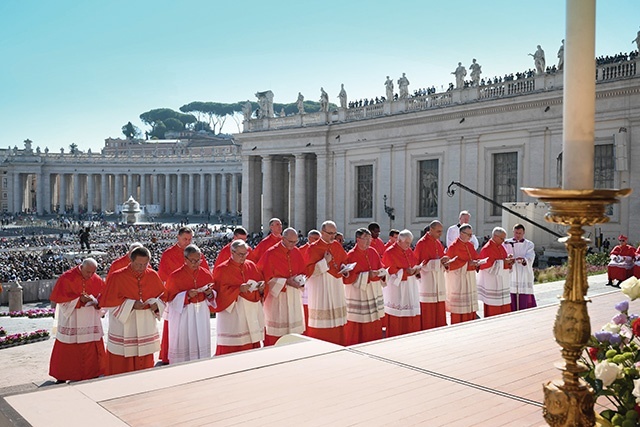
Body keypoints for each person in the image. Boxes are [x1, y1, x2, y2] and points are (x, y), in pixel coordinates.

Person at [100, 247, 165, 376]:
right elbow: (108, 302)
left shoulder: (152, 275)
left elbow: (163, 296)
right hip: (125, 325)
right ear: (131, 260)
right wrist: (131, 304)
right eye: (138, 264)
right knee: (122, 362)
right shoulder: (116, 276)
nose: (142, 267)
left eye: (145, 264)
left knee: (145, 363)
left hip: (145, 323)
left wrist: (156, 305)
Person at [157, 226, 210, 364]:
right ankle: (168, 355)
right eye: (185, 239)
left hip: (197, 302)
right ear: (178, 237)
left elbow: (205, 274)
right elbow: (164, 277)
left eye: (190, 239)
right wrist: (180, 287)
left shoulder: (197, 253)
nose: (187, 241)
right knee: (175, 329)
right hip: (177, 297)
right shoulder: (168, 254)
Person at [49, 258, 105, 382]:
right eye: (87, 272)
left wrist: (97, 302)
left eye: (93, 272)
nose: (90, 275)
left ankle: (92, 372)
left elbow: (104, 298)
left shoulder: (96, 279)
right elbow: (61, 301)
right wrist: (79, 300)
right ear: (81, 267)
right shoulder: (67, 278)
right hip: (72, 320)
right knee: (68, 349)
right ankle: (64, 374)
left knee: (91, 347)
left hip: (90, 319)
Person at [165, 244, 216, 364]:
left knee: (201, 343)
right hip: (184, 314)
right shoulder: (175, 276)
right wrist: (186, 295)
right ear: (185, 259)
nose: (196, 263)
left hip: (201, 312)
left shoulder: (205, 274)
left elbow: (212, 296)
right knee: (184, 342)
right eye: (192, 260)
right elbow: (170, 300)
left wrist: (209, 293)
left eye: (198, 260)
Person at [212, 240, 265, 355]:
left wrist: (260, 287)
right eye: (240, 254)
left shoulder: (251, 265)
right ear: (232, 252)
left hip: (250, 310)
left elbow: (258, 282)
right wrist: (238, 289)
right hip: (233, 312)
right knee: (233, 346)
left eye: (245, 254)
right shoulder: (222, 269)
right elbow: (219, 293)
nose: (243, 257)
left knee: (250, 343)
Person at [257, 228, 306, 346]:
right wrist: (285, 282)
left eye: (295, 242)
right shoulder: (271, 253)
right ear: (283, 239)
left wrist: (301, 280)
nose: (293, 245)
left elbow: (304, 271)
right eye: (290, 242)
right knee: (277, 332)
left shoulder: (296, 252)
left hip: (293, 295)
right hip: (277, 297)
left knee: (294, 335)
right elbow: (265, 278)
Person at [304, 220, 348, 345]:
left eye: (334, 233)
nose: (333, 236)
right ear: (322, 232)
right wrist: (324, 262)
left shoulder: (337, 245)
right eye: (330, 233)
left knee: (338, 319)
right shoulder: (313, 248)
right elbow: (308, 271)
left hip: (336, 285)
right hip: (321, 287)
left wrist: (345, 268)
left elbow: (343, 260)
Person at [343, 228, 385, 344]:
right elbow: (347, 278)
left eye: (369, 239)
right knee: (357, 322)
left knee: (373, 321)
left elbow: (380, 266)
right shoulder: (350, 255)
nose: (368, 242)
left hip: (372, 290)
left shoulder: (373, 251)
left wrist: (382, 273)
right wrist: (367, 275)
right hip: (358, 294)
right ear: (358, 239)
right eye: (365, 239)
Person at [381, 229, 421, 337]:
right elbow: (388, 270)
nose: (409, 245)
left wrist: (416, 269)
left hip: (409, 285)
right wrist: (404, 272)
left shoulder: (408, 251)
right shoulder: (390, 252)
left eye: (410, 243)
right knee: (397, 316)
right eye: (407, 242)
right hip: (397, 288)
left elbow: (413, 263)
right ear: (399, 240)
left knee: (409, 313)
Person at [413, 220, 449, 329]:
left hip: (438, 278)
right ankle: (428, 327)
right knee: (428, 307)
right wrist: (438, 262)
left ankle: (440, 325)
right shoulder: (422, 243)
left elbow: (441, 257)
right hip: (427, 280)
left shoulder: (437, 242)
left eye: (441, 231)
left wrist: (445, 261)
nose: (440, 234)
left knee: (439, 303)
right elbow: (420, 264)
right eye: (438, 231)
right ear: (431, 229)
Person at [445, 223, 481, 324]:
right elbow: (449, 266)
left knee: (469, 305)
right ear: (461, 233)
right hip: (459, 280)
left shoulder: (470, 245)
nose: (470, 237)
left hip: (469, 278)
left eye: (471, 235)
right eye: (468, 234)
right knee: (459, 308)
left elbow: (475, 257)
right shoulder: (453, 247)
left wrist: (477, 262)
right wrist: (466, 264)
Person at [477, 227, 514, 317]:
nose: (503, 240)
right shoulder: (487, 249)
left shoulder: (501, 247)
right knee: (494, 311)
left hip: (502, 282)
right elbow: (486, 266)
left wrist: (508, 260)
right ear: (495, 236)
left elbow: (502, 260)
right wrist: (503, 262)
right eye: (502, 238)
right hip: (492, 284)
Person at [503, 224, 537, 311]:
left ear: (524, 233)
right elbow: (503, 254)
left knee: (523, 293)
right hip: (512, 272)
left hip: (523, 272)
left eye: (520, 233)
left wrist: (523, 260)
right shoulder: (506, 243)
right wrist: (509, 258)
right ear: (513, 232)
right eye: (516, 233)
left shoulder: (529, 244)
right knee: (511, 292)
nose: (517, 235)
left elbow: (530, 257)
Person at [299, 229, 321, 330]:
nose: (317, 241)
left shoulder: (321, 250)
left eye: (318, 239)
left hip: (318, 283)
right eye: (315, 239)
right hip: (306, 283)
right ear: (309, 239)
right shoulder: (301, 250)